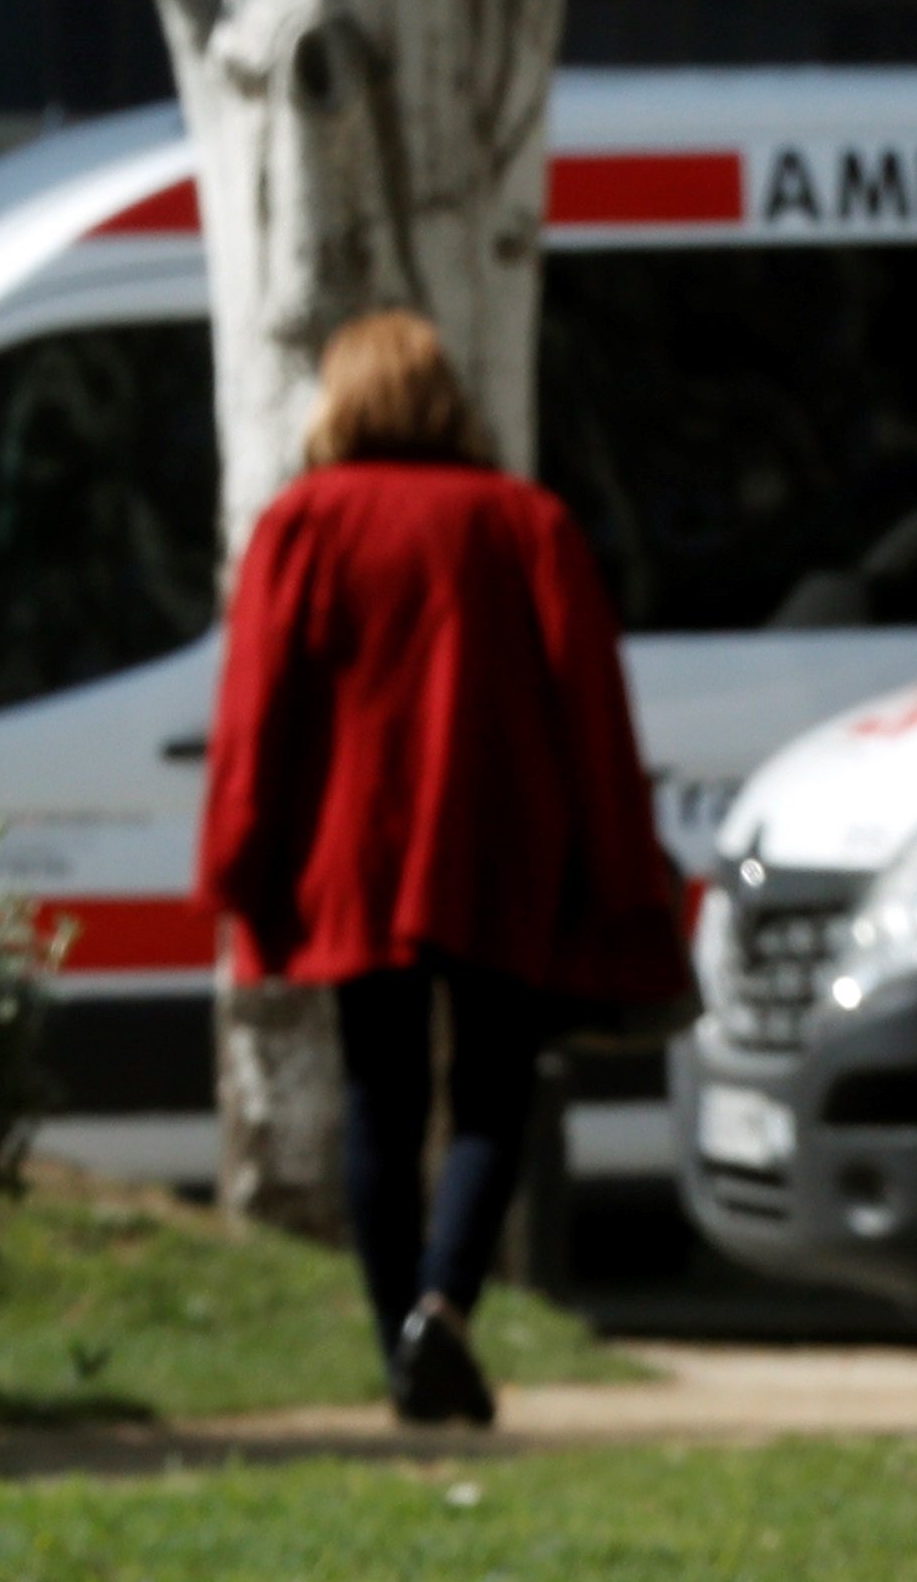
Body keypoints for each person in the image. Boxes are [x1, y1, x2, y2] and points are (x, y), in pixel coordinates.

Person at [197, 308, 680, 1426]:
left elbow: (256, 710)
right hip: (500, 848)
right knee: (495, 1094)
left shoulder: (303, 523)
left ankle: (398, 1347)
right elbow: (592, 707)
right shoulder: (523, 521)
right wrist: (616, 865)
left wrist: (240, 858)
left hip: (356, 854)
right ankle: (443, 1312)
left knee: (380, 1093)